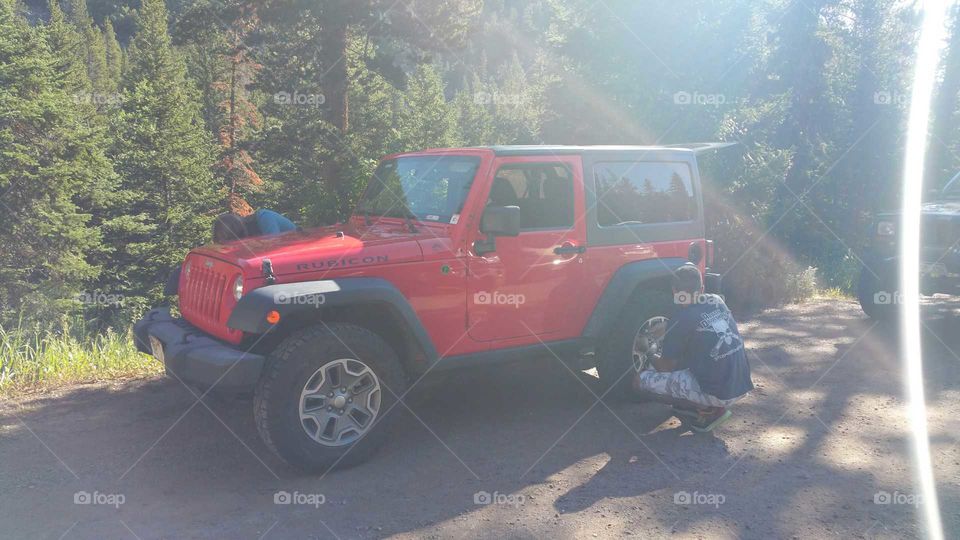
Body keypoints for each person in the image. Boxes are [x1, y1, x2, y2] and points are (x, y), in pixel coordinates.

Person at [632, 264, 753, 432]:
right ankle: (698, 402)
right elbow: (697, 323)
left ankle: (708, 409)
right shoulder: (716, 300)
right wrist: (669, 328)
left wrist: (649, 350)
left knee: (640, 380)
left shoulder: (680, 319)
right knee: (685, 362)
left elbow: (666, 367)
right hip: (741, 382)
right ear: (702, 287)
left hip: (720, 393)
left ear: (674, 291)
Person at [212, 209, 296, 244]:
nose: (224, 242)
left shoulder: (265, 218)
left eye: (226, 238)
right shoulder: (250, 233)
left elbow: (274, 246)